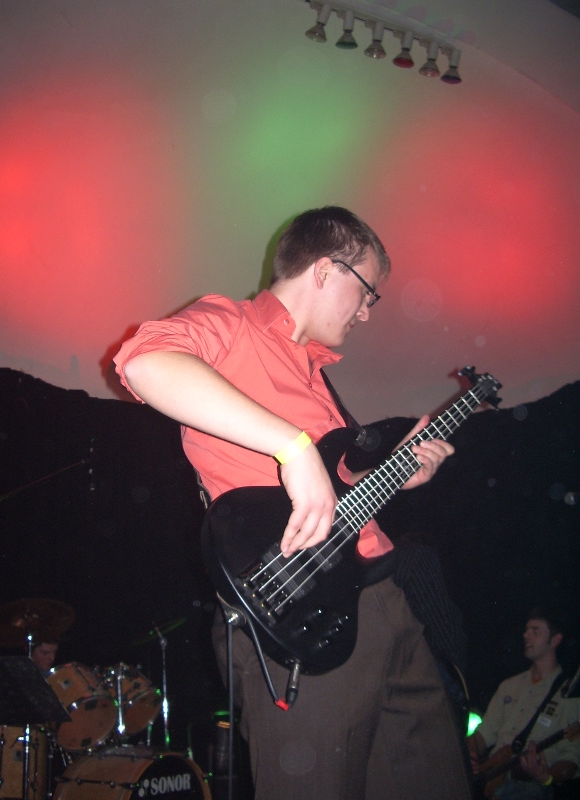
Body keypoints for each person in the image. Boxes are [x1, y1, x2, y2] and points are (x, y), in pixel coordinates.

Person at [114, 206, 472, 799]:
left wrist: (394, 473)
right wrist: (292, 446)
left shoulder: (315, 371)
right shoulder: (231, 323)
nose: (366, 311)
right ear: (327, 270)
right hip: (301, 611)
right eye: (367, 292)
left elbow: (336, 485)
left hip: (382, 599)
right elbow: (145, 362)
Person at [467, 607, 580, 799]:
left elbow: (571, 761)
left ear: (555, 640)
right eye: (527, 629)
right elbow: (482, 736)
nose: (526, 635)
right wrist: (468, 753)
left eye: (535, 631)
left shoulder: (569, 696)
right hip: (492, 778)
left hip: (529, 785)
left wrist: (546, 777)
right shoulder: (509, 686)